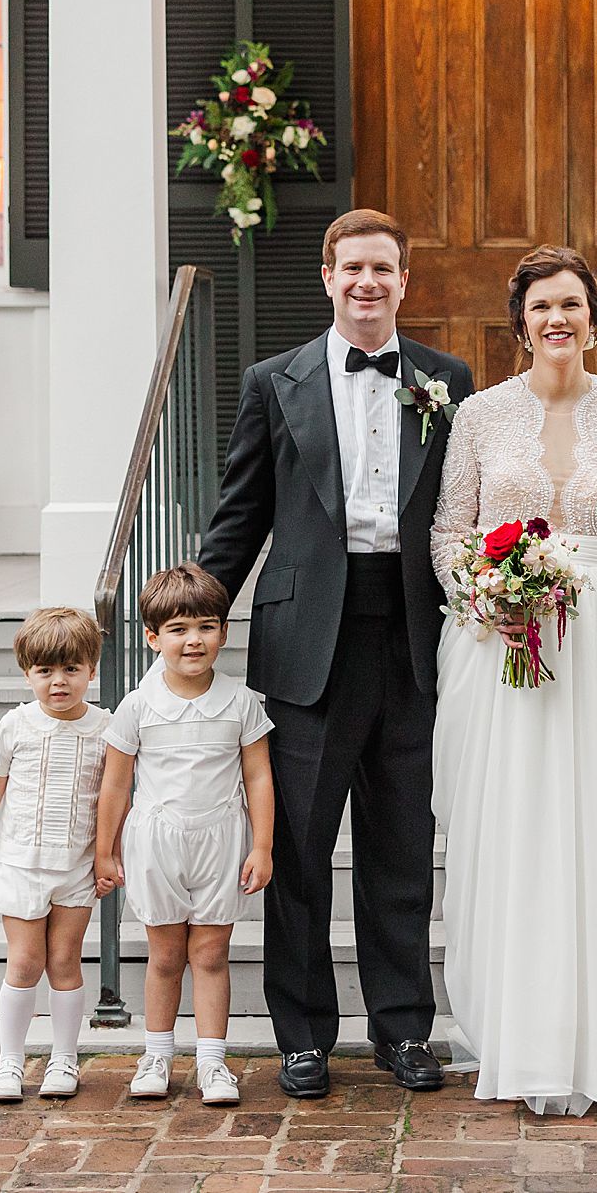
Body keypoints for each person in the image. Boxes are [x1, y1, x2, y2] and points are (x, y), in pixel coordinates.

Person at [198, 209, 474, 1099]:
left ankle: (403, 1031)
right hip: (305, 640)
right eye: (353, 267)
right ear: (327, 277)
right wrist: (191, 614)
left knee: (400, 843)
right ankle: (305, 1034)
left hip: (410, 630)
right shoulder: (272, 381)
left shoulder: (447, 378)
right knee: (302, 847)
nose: (368, 283)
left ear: (404, 280)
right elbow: (242, 515)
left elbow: (464, 501)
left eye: (384, 269)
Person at [431, 244, 597, 1114]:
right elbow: (449, 533)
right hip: (501, 643)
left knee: (596, 825)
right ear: (520, 322)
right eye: (542, 306)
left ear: (595, 319)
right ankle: (520, 1036)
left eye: (572, 305)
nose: (558, 319)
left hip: (593, 648)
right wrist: (487, 601)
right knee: (514, 829)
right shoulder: (478, 415)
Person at [94, 563, 276, 1107]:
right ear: (153, 638)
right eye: (177, 629)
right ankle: (156, 1055)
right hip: (157, 842)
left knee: (213, 953)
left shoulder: (241, 702)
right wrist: (105, 849)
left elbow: (259, 776)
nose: (193, 640)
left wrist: (262, 845)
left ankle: (213, 1062)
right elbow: (116, 783)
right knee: (166, 955)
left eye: (205, 626)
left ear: (223, 632)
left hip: (220, 839)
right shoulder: (138, 705)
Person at [0, 606, 110, 1104]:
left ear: (92, 669)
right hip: (24, 865)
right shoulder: (16, 725)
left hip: (78, 867)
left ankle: (65, 1059)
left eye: (71, 669)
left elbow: (117, 800)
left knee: (66, 960)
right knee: (25, 962)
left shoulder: (106, 729)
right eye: (45, 671)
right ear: (28, 674)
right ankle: (9, 1063)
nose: (59, 682)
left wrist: (110, 856)